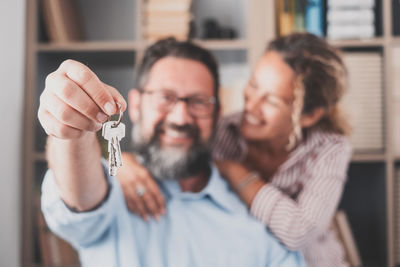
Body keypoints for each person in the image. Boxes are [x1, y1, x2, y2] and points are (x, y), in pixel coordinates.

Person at [38, 38, 306, 267]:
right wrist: (73, 131)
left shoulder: (253, 217)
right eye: (165, 97)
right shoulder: (111, 189)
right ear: (137, 104)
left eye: (199, 101)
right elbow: (80, 196)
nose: (180, 117)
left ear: (217, 113)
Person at [118, 33, 352, 267]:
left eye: (271, 101)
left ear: (309, 116)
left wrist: (233, 171)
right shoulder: (222, 129)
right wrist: (121, 162)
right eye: (253, 85)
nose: (251, 105)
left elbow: (298, 232)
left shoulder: (330, 149)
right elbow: (166, 152)